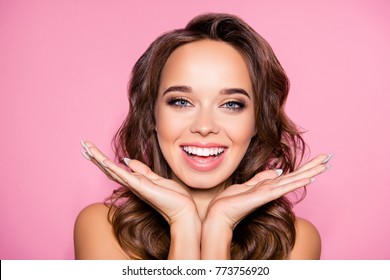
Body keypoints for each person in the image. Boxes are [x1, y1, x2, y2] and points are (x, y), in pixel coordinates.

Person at [74, 13, 331, 260]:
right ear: (152, 116)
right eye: (181, 101)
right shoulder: (102, 227)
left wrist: (219, 227)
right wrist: (183, 222)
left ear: (257, 121)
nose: (205, 126)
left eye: (231, 104)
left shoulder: (295, 243)